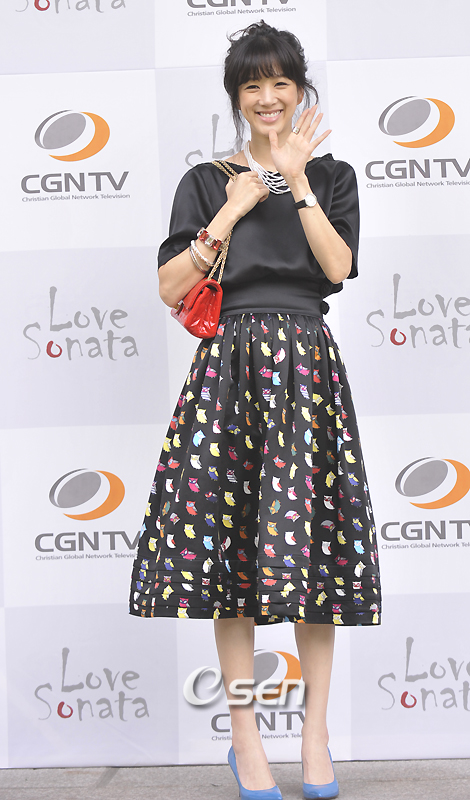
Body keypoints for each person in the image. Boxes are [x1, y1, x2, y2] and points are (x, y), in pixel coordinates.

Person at [130, 20, 381, 800]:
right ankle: (245, 739)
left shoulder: (331, 176)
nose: (268, 98)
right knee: (227, 560)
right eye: (252, 85)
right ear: (236, 96)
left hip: (307, 369)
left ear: (300, 90)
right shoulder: (208, 180)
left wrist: (295, 182)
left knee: (316, 559)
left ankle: (315, 738)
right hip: (231, 372)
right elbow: (171, 288)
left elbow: (336, 267)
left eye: (280, 83)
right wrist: (232, 209)